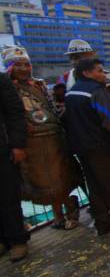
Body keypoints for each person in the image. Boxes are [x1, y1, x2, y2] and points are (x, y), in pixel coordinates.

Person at [4, 46, 80, 231]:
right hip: (29, 145)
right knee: (40, 182)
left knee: (60, 177)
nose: (23, 68)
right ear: (9, 67)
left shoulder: (39, 85)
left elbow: (51, 108)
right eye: (18, 64)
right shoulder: (6, 88)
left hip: (53, 140)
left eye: (26, 64)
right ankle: (57, 216)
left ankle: (69, 208)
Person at [64, 58, 110, 236]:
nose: (103, 74)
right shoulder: (97, 91)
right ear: (87, 73)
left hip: (83, 149)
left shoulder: (71, 93)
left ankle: (102, 222)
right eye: (100, 71)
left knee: (94, 185)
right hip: (103, 147)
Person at [0, 54, 29, 262]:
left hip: (3, 149)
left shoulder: (2, 81)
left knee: (8, 196)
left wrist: (18, 145)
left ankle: (17, 240)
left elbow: (16, 113)